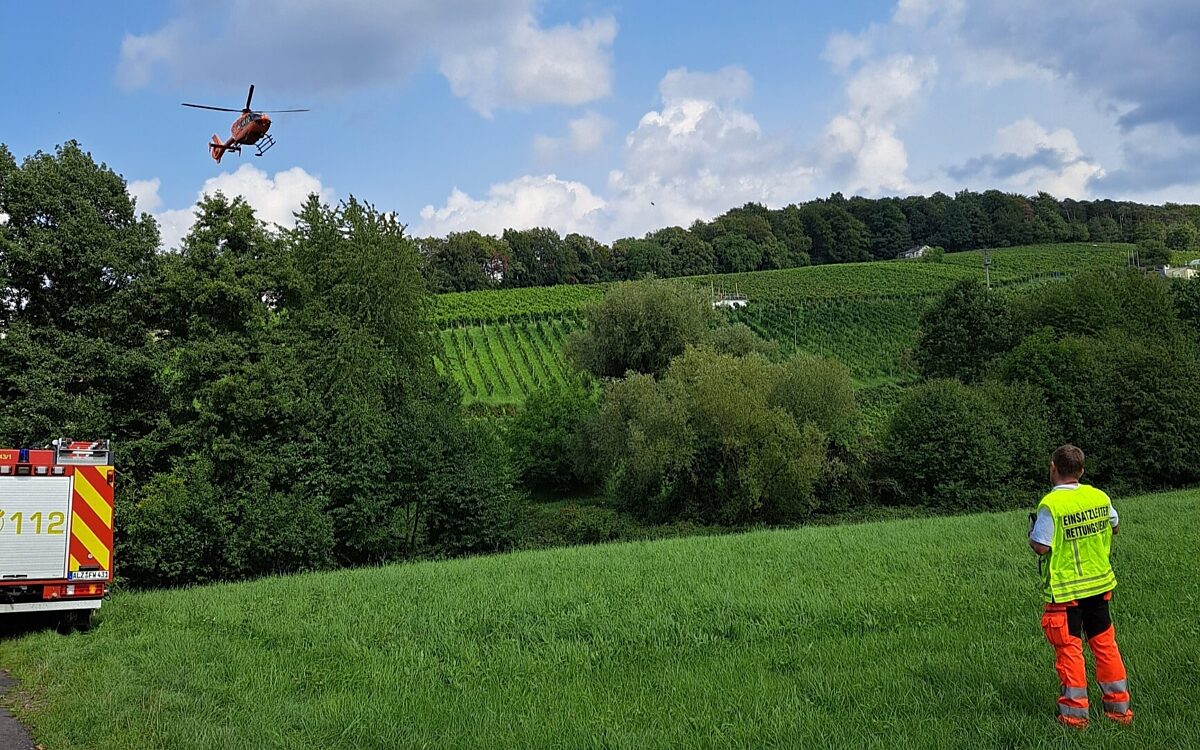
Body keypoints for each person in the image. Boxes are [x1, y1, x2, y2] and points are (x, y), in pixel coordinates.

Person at [1028, 444, 1133, 728]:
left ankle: (1074, 719)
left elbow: (1040, 546)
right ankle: (1119, 711)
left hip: (1066, 592)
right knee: (1105, 646)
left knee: (1070, 651)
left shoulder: (1052, 505)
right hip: (1099, 587)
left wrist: (1031, 532)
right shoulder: (1099, 496)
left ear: (1053, 467)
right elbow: (1115, 526)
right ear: (1081, 471)